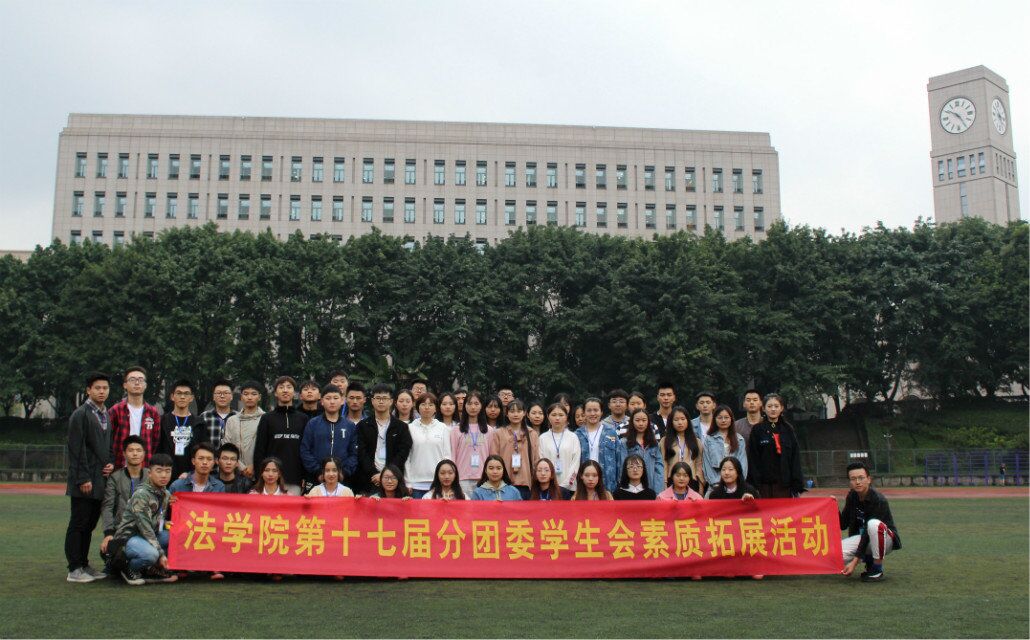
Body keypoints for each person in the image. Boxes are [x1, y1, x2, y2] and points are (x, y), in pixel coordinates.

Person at [65, 371, 113, 583]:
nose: (102, 391)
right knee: (79, 523)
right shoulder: (81, 414)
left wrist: (111, 462)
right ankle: (74, 568)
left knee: (89, 524)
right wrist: (83, 478)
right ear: (88, 390)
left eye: (105, 388)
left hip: (99, 480)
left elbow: (107, 445)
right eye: (97, 388)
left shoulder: (105, 414)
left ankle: (84, 564)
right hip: (85, 480)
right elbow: (76, 449)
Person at [111, 452, 175, 585]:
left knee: (175, 537)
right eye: (159, 471)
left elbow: (156, 520)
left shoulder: (166, 494)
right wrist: (161, 554)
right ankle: (128, 568)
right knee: (151, 554)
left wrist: (166, 523)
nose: (164, 475)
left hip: (146, 536)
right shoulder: (141, 495)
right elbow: (146, 529)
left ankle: (149, 568)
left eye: (168, 471)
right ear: (149, 473)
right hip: (129, 537)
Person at [839, 462, 901, 582]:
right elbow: (843, 525)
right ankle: (869, 562)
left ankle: (877, 569)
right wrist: (834, 507)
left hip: (885, 540)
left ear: (869, 479)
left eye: (861, 478)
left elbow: (868, 533)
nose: (857, 482)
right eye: (853, 479)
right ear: (850, 482)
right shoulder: (852, 496)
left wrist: (854, 562)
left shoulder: (878, 499)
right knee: (836, 554)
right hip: (865, 538)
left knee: (873, 524)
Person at [252, 376, 309, 495]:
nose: (285, 390)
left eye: (289, 387)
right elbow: (260, 450)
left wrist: (305, 476)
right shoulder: (267, 418)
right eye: (281, 387)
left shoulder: (303, 418)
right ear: (275, 393)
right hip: (270, 480)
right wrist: (259, 476)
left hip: (295, 479)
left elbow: (306, 450)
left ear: (295, 393)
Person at [100, 435, 148, 573]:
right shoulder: (115, 477)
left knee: (159, 548)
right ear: (124, 454)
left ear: (144, 454)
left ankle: (128, 566)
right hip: (121, 530)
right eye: (131, 450)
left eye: (138, 450)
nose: (135, 454)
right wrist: (108, 533)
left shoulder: (151, 476)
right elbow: (107, 507)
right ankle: (117, 564)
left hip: (146, 530)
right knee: (109, 549)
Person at [355, 384, 413, 495]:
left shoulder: (401, 427)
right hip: (369, 479)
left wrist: (386, 474)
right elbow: (361, 453)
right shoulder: (362, 426)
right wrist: (374, 474)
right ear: (372, 401)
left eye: (384, 398)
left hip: (394, 480)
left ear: (391, 401)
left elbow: (403, 452)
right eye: (378, 398)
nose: (381, 401)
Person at [300, 384, 359, 492]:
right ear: (322, 401)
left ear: (342, 400)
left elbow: (354, 453)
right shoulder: (313, 424)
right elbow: (305, 450)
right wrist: (318, 472)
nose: (332, 402)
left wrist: (343, 472)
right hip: (316, 479)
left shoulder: (350, 426)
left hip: (342, 480)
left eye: (335, 398)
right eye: (328, 398)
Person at [746, 393, 804, 498]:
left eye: (776, 406)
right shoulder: (757, 430)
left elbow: (795, 457)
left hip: (784, 484)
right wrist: (754, 485)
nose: (773, 409)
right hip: (763, 484)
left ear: (781, 408)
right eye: (769, 406)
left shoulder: (788, 429)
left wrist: (796, 483)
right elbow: (753, 458)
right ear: (763, 408)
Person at [108, 366, 161, 468]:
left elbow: (155, 442)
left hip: (145, 467)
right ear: (125, 385)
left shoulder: (153, 413)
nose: (137, 383)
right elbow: (108, 440)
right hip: (120, 466)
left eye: (140, 380)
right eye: (132, 380)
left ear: (145, 385)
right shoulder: (115, 410)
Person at [490, 399, 539, 500]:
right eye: (512, 411)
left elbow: (536, 459)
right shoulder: (499, 433)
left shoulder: (532, 434)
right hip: (504, 482)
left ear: (524, 413)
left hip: (526, 482)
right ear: (507, 414)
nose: (515, 414)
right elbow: (494, 458)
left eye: (519, 411)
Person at [406, 393, 452, 498]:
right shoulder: (410, 428)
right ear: (417, 407)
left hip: (438, 483)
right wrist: (408, 482)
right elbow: (407, 457)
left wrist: (446, 478)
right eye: (423, 404)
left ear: (436, 408)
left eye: (431, 405)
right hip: (415, 483)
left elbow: (447, 456)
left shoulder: (443, 428)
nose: (427, 407)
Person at [575, 397, 624, 493]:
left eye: (596, 410)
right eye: (589, 410)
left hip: (607, 483)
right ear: (584, 413)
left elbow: (618, 458)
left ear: (601, 412)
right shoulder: (577, 434)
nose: (592, 413)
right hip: (583, 483)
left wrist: (619, 481)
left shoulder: (611, 432)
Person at [451, 391, 494, 495]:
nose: (473, 407)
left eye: (476, 403)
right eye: (469, 404)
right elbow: (452, 456)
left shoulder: (489, 430)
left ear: (481, 406)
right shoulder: (456, 430)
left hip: (484, 478)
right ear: (465, 406)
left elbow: (492, 456)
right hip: (462, 478)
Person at [158, 379, 200, 479]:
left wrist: (192, 473)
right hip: (166, 475)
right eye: (179, 393)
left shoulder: (199, 423)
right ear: (172, 397)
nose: (182, 397)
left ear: (191, 398)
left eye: (186, 394)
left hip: (191, 476)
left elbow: (202, 451)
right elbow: (158, 449)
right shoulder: (162, 421)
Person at [222, 380, 265, 481]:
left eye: (253, 394)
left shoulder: (266, 419)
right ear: (241, 397)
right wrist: (241, 467)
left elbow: (268, 447)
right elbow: (227, 446)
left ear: (259, 397)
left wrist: (254, 465)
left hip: (260, 473)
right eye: (246, 394)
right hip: (235, 472)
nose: (249, 397)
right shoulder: (232, 420)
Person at [538, 403, 581, 499]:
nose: (557, 418)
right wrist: (550, 483)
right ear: (548, 416)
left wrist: (565, 485)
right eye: (553, 415)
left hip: (569, 488)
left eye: (561, 415)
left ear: (566, 417)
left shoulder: (573, 437)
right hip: (548, 487)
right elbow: (541, 463)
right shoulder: (542, 438)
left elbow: (575, 463)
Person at [660, 406, 705, 492]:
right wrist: (664, 483)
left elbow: (699, 464)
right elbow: (664, 463)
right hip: (671, 480)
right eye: (676, 420)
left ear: (688, 421)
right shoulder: (664, 441)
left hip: (691, 480)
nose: (680, 422)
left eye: (683, 419)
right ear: (671, 422)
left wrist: (701, 485)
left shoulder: (697, 441)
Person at [703, 405, 748, 488]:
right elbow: (707, 464)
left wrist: (737, 482)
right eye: (720, 418)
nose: (723, 420)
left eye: (726, 417)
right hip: (715, 485)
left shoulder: (739, 439)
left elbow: (743, 464)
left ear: (731, 419)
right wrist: (716, 484)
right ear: (714, 419)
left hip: (736, 485)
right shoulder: (709, 439)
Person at [622, 409, 665, 493]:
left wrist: (658, 491)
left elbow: (659, 468)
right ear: (632, 422)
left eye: (644, 420)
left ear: (648, 422)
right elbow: (622, 467)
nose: (641, 423)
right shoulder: (624, 443)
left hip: (650, 487)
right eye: (637, 420)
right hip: (631, 488)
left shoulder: (654, 444)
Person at [197, 379, 237, 448]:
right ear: (213, 397)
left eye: (226, 393)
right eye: (218, 393)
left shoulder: (238, 417)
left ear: (231, 396)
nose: (222, 396)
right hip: (209, 454)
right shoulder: (204, 417)